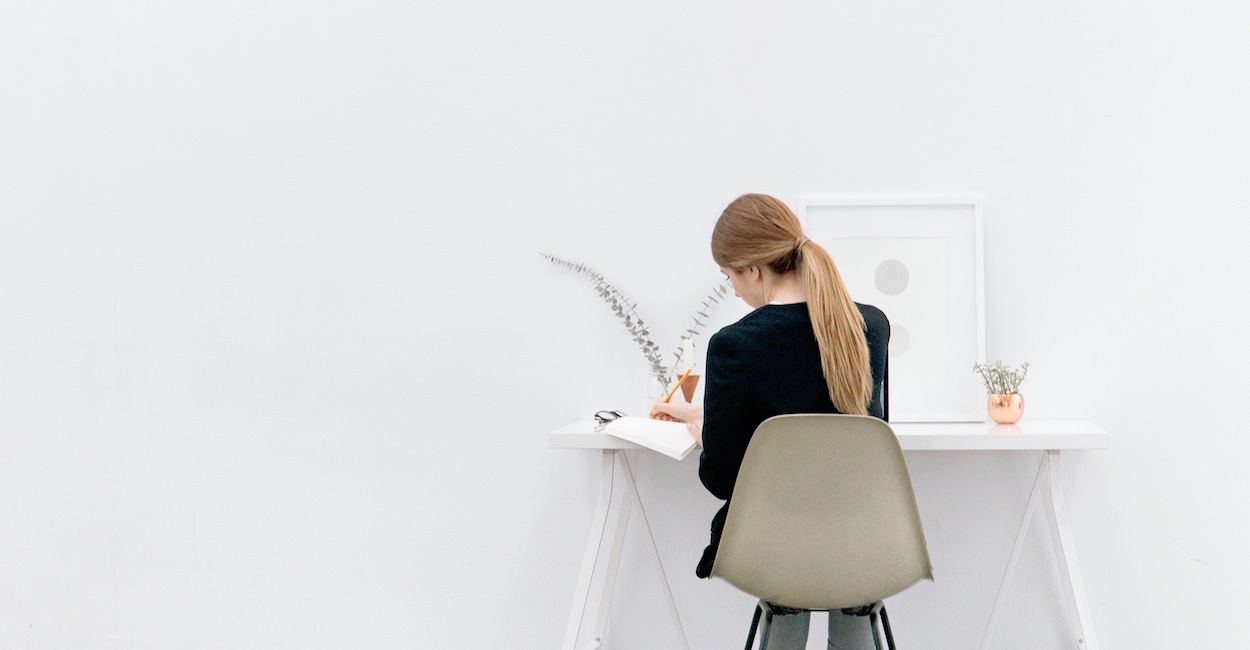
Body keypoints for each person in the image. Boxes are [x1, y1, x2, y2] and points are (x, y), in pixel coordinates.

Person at [651, 193, 889, 650]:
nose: (735, 292)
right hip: (865, 540)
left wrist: (709, 436)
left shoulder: (734, 345)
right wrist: (713, 415)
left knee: (786, 538)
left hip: (776, 546)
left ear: (754, 271)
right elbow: (864, 434)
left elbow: (722, 479)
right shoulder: (870, 326)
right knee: (844, 551)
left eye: (730, 278)